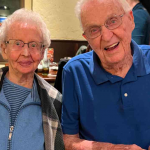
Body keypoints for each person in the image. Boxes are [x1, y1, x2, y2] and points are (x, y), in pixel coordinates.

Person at [61, 0, 150, 149]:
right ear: (87, 38)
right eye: (93, 30)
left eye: (113, 21)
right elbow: (69, 140)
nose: (107, 37)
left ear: (131, 19)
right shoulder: (74, 72)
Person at [0, 9, 64, 150]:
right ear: (4, 49)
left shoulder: (56, 102)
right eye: (17, 43)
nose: (26, 53)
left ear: (42, 52)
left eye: (34, 45)